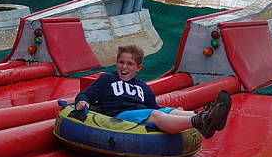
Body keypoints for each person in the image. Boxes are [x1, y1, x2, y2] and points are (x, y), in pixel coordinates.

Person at [74, 44, 231, 139]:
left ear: (138, 67)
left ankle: (209, 117)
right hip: (120, 115)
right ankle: (199, 121)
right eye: (121, 62)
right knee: (156, 115)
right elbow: (86, 94)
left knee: (169, 111)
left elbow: (154, 106)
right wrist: (82, 101)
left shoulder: (142, 86)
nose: (124, 67)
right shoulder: (107, 79)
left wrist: (174, 112)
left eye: (129, 64)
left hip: (141, 113)